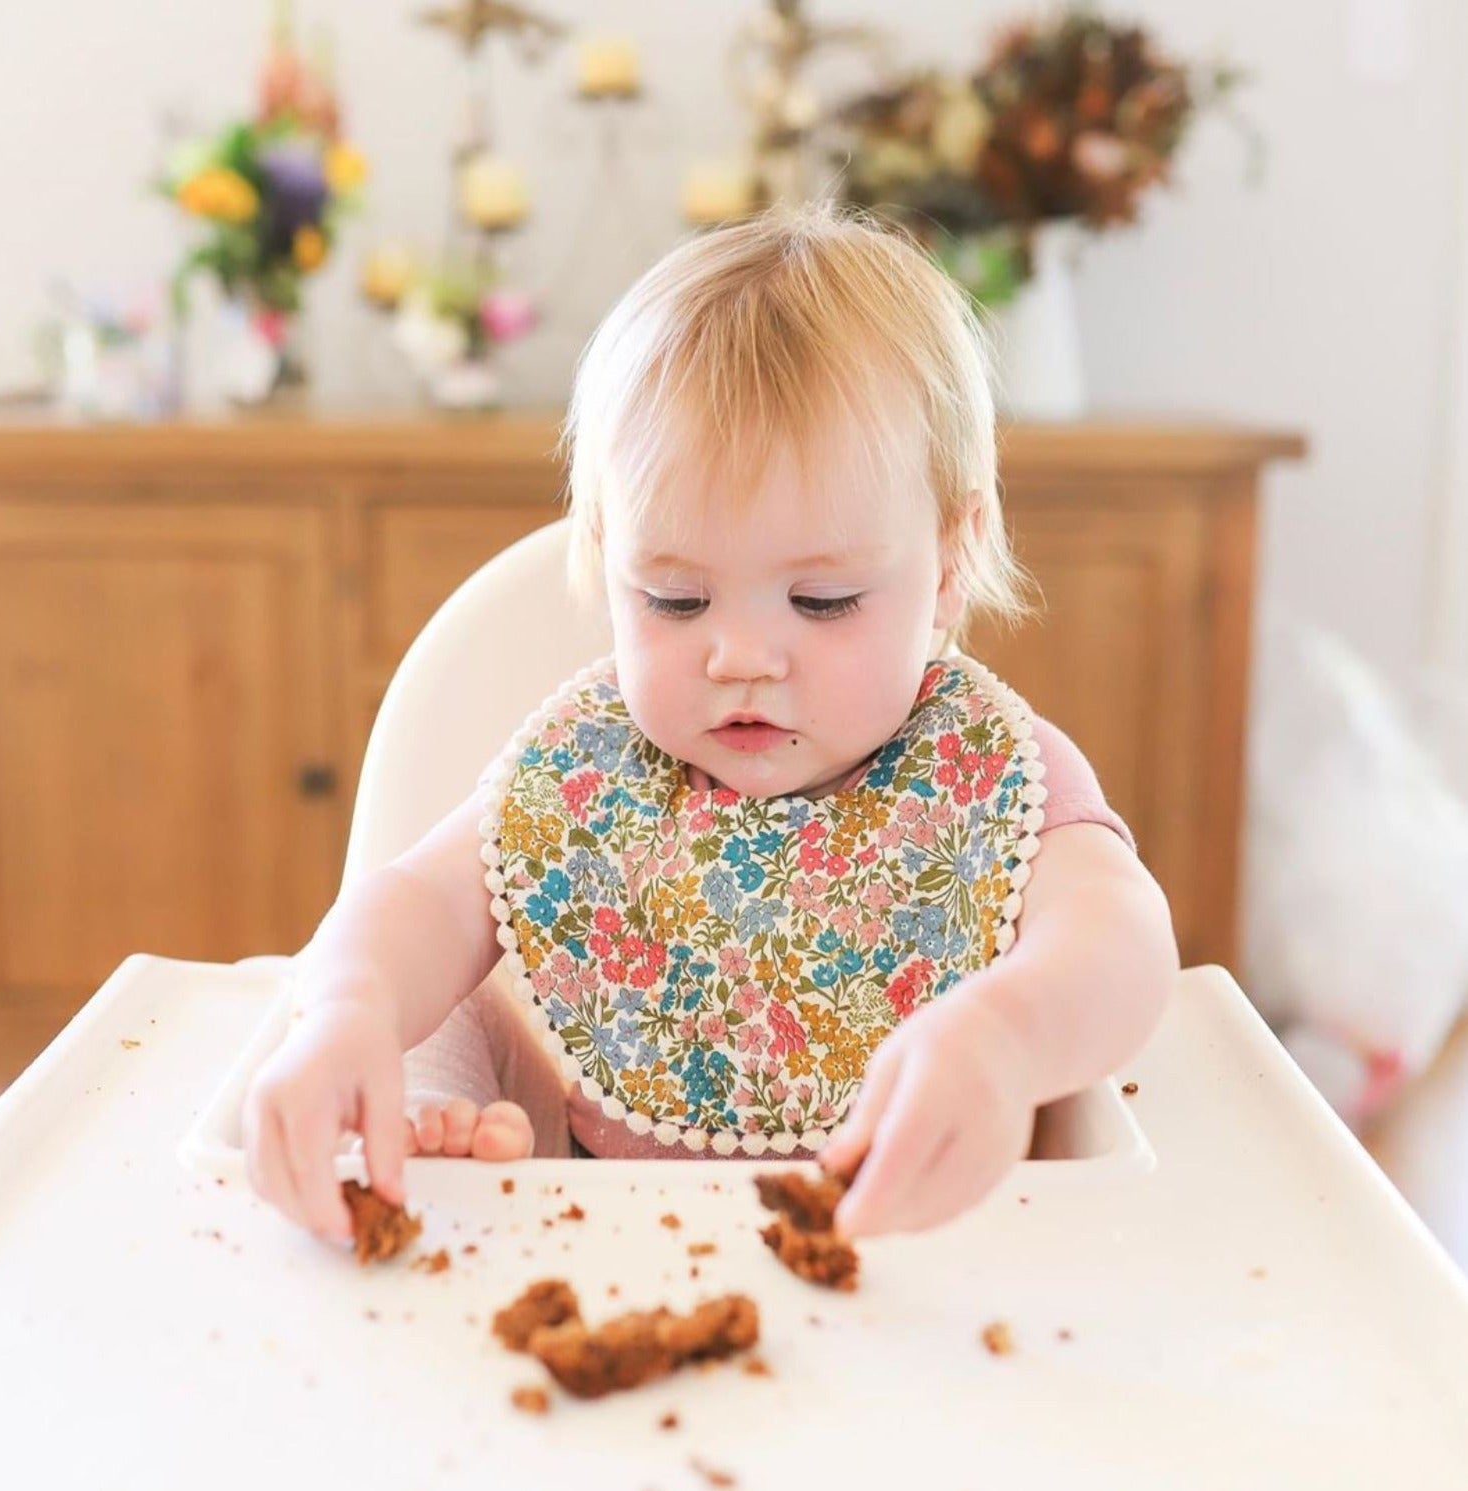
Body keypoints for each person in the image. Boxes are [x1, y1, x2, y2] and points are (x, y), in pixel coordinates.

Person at [243, 203, 1178, 1247]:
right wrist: (345, 1014)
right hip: (604, 1247)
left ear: (949, 564)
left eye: (822, 604)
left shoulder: (983, 779)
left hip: (922, 1253)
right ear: (609, 562)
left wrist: (1007, 1037)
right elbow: (412, 900)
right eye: (676, 602)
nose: (740, 657)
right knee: (444, 1003)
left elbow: (1124, 943)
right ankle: (434, 1147)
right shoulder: (593, 776)